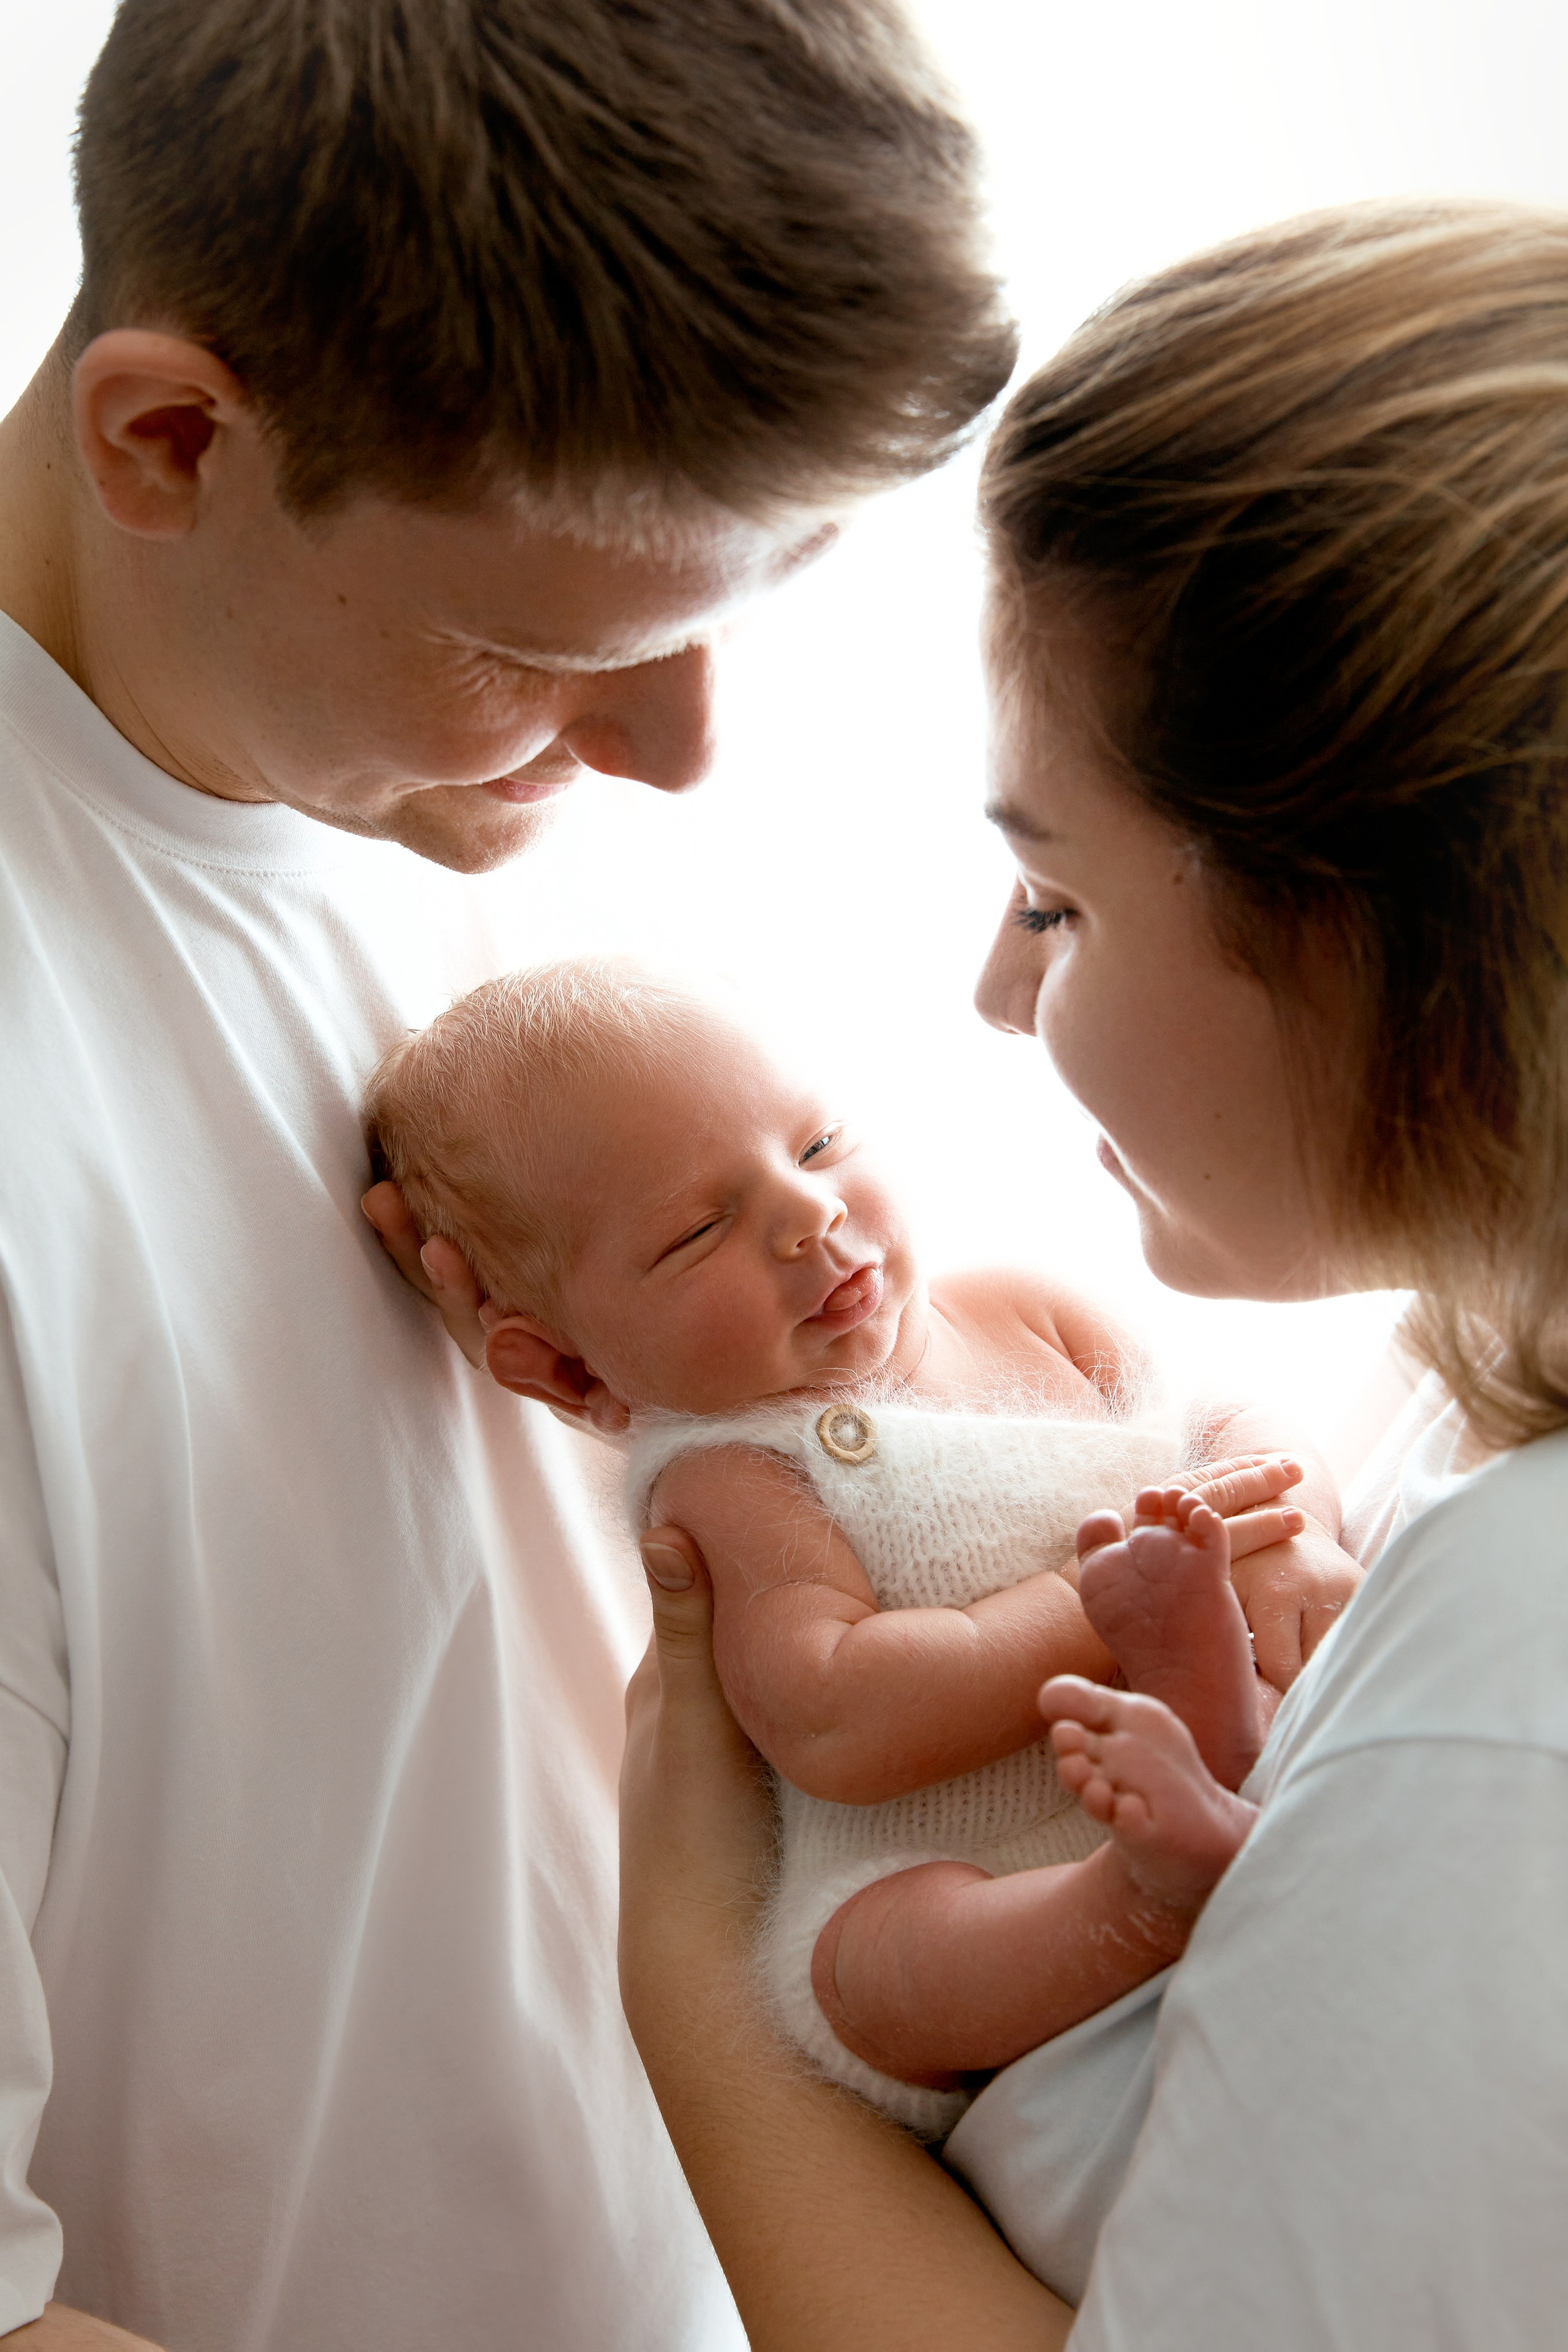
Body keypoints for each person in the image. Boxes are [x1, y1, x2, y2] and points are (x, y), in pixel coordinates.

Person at [0, 1, 1016, 2344]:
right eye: (548, 644)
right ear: (172, 441)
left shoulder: (426, 788)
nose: (679, 751)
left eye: (748, 600)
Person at [609, 197, 1568, 2346]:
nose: (990, 989)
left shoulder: (1524, 1670)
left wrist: (702, 2007)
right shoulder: (1472, 1391)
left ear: (1383, 932)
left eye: (1056, 903)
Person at [364, 956, 1358, 2140]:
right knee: (864, 1965)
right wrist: (1098, 1603)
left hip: (1213, 1749)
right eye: (697, 1230)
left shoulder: (1024, 1307)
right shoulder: (732, 1472)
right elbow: (835, 1719)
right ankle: (1132, 1896)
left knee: (1296, 1674)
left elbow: (1237, 1424)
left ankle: (1208, 1746)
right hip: (964, 1869)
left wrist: (1289, 1536)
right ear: (565, 1364)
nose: (809, 1213)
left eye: (819, 1144)